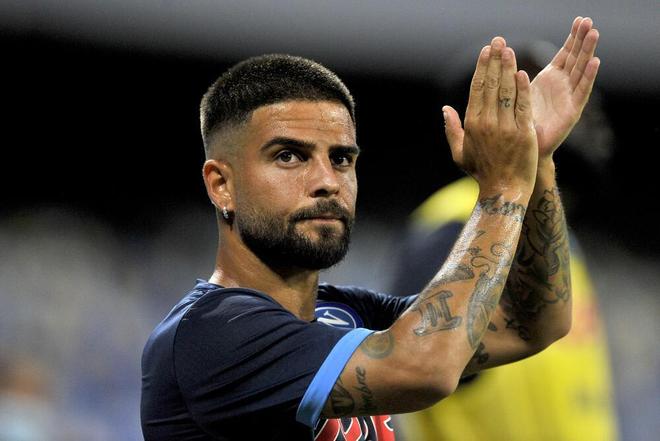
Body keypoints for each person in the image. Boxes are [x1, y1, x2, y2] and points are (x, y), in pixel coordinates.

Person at [141, 16, 600, 440]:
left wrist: (537, 160)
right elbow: (427, 368)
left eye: (341, 159)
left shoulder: (347, 313)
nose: (327, 181)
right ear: (221, 185)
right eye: (289, 156)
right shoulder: (209, 334)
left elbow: (534, 323)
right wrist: (503, 187)